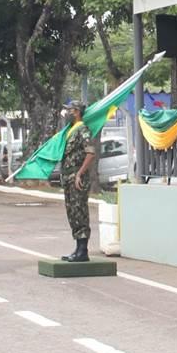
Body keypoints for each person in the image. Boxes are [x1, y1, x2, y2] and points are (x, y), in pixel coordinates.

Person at [59, 101, 96, 263]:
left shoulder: (82, 130)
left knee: (79, 210)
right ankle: (78, 248)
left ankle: (83, 250)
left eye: (69, 110)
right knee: (72, 212)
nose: (67, 113)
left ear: (77, 112)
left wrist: (80, 174)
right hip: (68, 178)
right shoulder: (69, 131)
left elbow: (90, 153)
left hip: (77, 178)